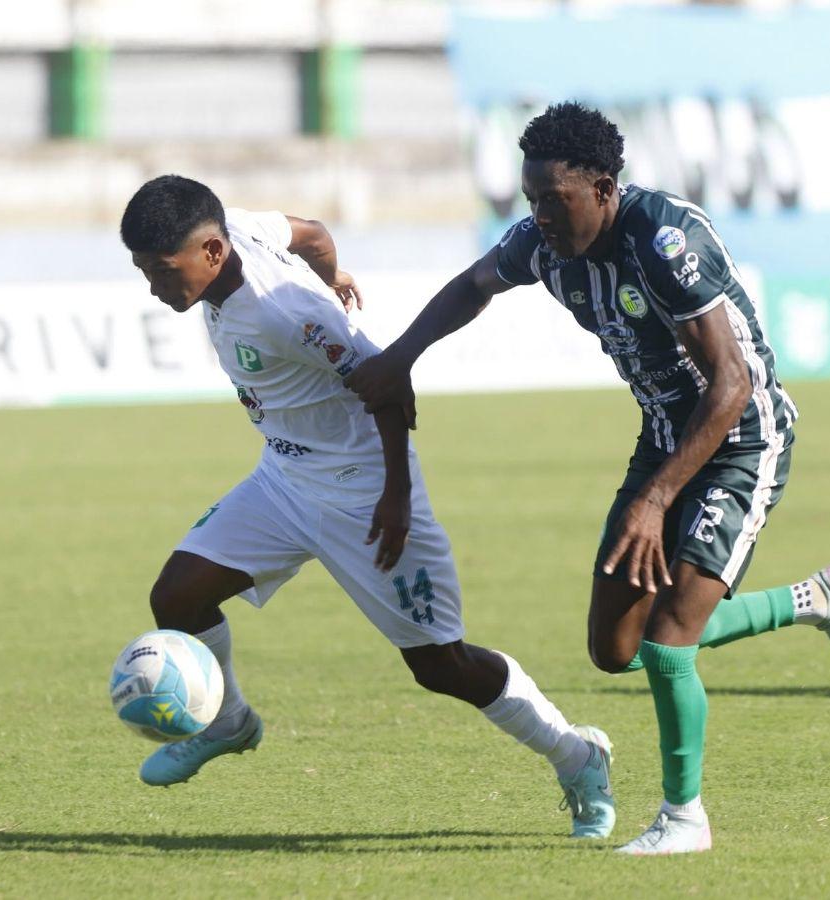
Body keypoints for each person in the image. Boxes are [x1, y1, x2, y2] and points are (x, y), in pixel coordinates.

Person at [344, 102, 830, 856]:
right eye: (529, 200)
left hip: (741, 440)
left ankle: (684, 819)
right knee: (616, 647)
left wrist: (657, 499)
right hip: (663, 437)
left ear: (602, 187)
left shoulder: (663, 241)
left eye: (553, 201)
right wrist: (402, 356)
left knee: (667, 643)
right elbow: (473, 284)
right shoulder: (544, 244)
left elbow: (730, 388)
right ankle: (820, 597)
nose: (539, 217)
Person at [118, 174, 616, 839]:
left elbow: (387, 385)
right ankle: (228, 722)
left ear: (210, 252)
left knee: (441, 666)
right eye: (143, 270)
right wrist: (333, 273)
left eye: (161, 270)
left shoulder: (284, 315)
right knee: (177, 597)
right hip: (285, 479)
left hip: (363, 494)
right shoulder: (235, 225)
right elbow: (313, 234)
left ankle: (578, 756)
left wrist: (396, 498)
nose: (153, 285)